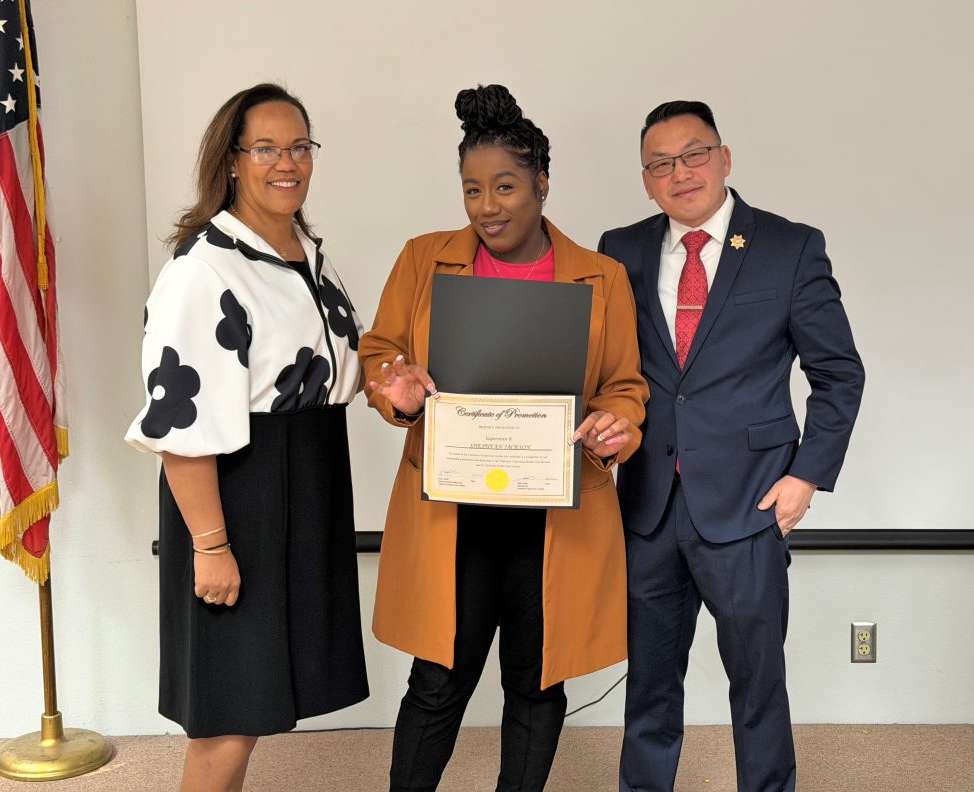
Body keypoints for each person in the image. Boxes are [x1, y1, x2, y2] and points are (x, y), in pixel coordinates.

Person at [360, 84, 649, 792]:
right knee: (438, 679)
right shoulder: (424, 259)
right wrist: (392, 388)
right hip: (451, 511)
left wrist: (617, 427)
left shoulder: (603, 277)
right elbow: (380, 353)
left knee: (536, 681)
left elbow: (624, 386)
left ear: (542, 184)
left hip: (554, 516)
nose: (488, 206)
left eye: (506, 186)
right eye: (471, 190)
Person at [599, 100, 865, 792]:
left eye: (693, 154)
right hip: (649, 505)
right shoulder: (618, 250)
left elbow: (838, 374)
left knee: (756, 687)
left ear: (724, 158)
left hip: (749, 502)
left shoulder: (788, 245)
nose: (679, 172)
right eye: (660, 163)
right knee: (649, 690)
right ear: (646, 179)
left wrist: (805, 477)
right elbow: (602, 367)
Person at [125, 83, 368, 791]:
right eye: (266, 148)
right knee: (226, 720)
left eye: (299, 146)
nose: (286, 162)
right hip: (238, 495)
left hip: (307, 482)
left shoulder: (302, 251)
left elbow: (329, 367)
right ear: (232, 161)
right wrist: (210, 545)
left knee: (257, 706)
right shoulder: (205, 268)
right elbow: (179, 420)